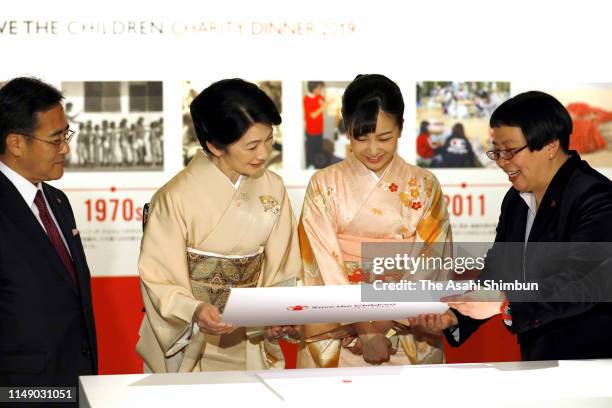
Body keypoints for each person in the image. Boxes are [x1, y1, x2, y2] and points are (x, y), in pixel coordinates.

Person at [413, 91, 612, 361]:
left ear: (550, 145)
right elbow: (500, 268)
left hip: (591, 360)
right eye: (497, 151)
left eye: (510, 150)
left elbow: (578, 282)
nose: (502, 162)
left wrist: (503, 302)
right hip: (538, 357)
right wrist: (455, 315)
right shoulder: (516, 199)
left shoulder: (596, 197)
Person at [137, 79, 303, 373]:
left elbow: (283, 266)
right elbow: (158, 278)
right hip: (194, 342)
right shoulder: (174, 197)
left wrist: (277, 314)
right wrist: (195, 310)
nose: (263, 154)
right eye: (251, 146)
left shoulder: (273, 187)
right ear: (214, 145)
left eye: (268, 140)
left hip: (250, 337)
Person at [297, 74, 452, 368]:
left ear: (401, 129)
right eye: (361, 137)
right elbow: (320, 263)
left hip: (407, 331)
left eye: (384, 138)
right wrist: (364, 328)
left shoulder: (425, 184)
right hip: (339, 332)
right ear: (346, 129)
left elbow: (432, 258)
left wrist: (388, 321)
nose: (372, 149)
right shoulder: (324, 184)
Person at [0, 77, 97, 389]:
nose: (65, 148)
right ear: (15, 143)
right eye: (56, 139)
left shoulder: (57, 201)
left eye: (66, 135)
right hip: (18, 388)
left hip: (74, 377)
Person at [303, 81, 329, 168]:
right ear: (314, 89)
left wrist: (328, 99)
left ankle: (318, 164)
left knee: (319, 148)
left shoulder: (318, 95)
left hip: (319, 129)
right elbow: (313, 115)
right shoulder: (306, 99)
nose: (320, 90)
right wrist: (323, 107)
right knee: (312, 150)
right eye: (319, 88)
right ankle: (311, 166)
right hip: (312, 131)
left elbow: (324, 99)